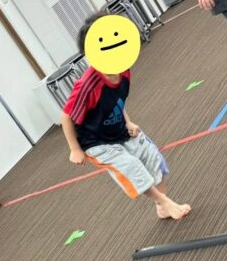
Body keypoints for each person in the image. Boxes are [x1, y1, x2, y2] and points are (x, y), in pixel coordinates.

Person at [62, 17, 191, 220]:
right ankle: (166, 202)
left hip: (120, 130)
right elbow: (66, 116)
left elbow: (117, 101)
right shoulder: (88, 85)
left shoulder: (123, 69)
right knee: (131, 166)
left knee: (152, 157)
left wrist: (128, 121)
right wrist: (74, 149)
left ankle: (162, 206)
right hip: (96, 142)